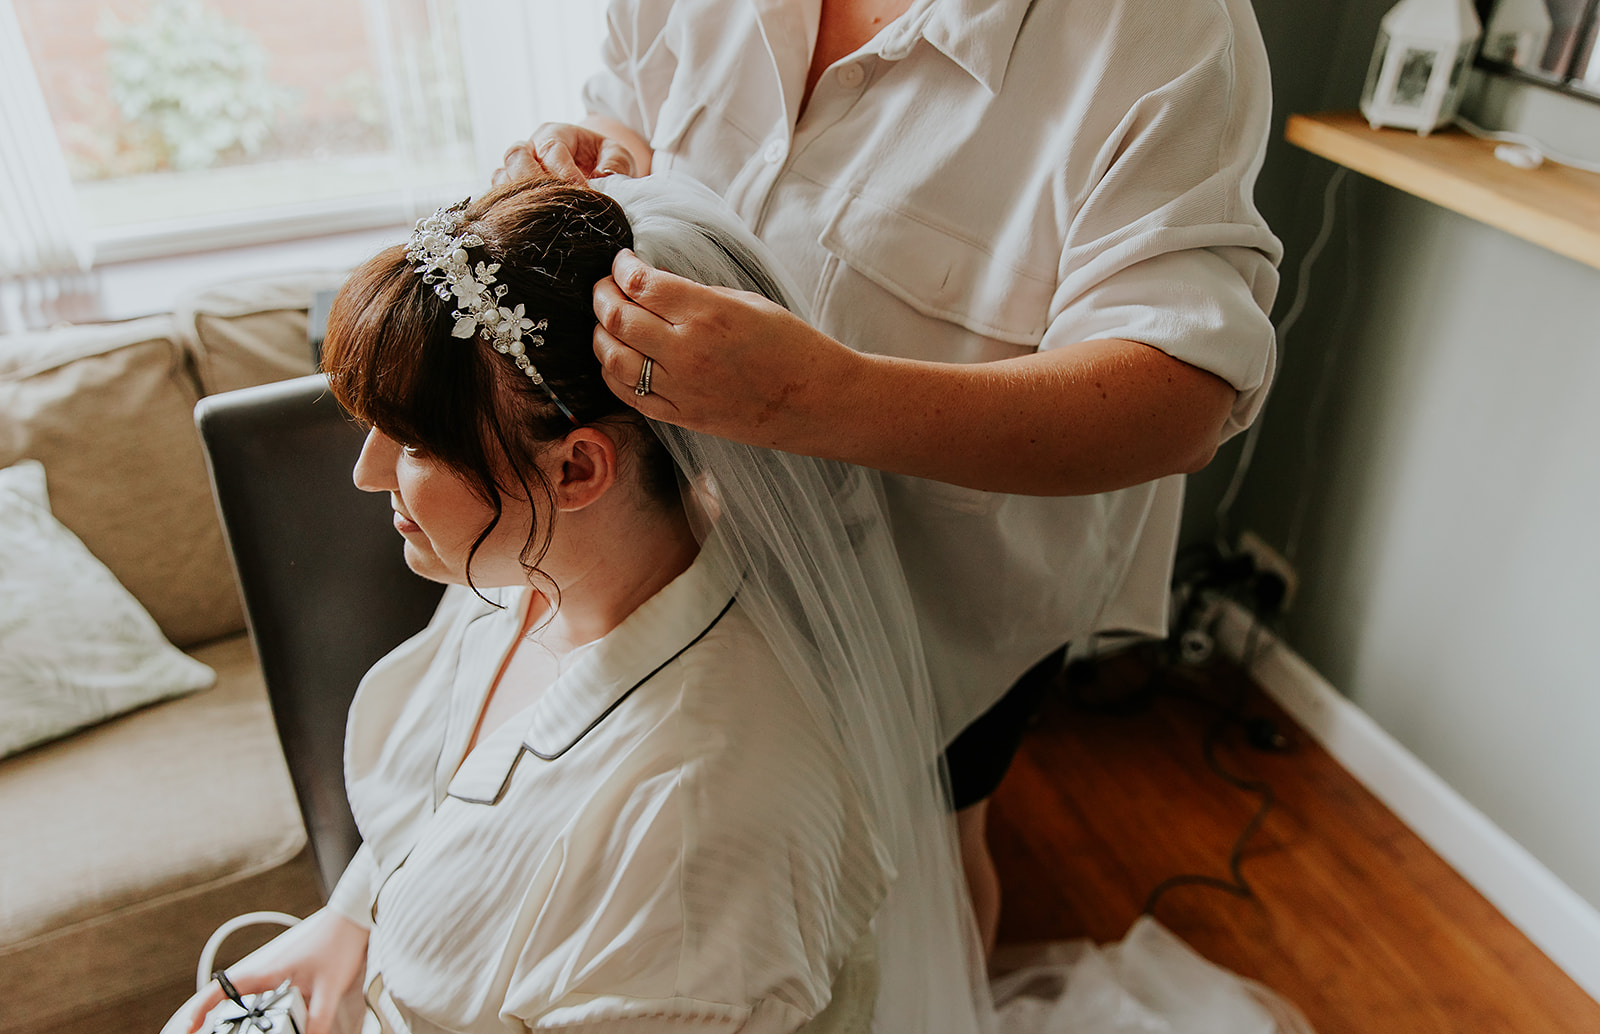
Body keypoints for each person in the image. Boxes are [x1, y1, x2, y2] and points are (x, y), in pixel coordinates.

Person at [150, 173, 998, 1034]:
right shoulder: (535, 572)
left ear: (577, 469)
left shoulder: (693, 820)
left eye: (415, 444)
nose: (366, 474)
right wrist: (350, 917)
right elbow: (447, 801)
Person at [499, 0, 1284, 951]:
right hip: (671, 558)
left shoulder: (1165, 32)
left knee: (928, 874)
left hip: (943, 602)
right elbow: (633, 124)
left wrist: (809, 396)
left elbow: (1179, 392)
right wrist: (593, 170)